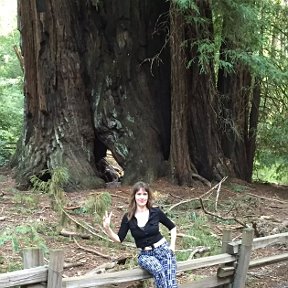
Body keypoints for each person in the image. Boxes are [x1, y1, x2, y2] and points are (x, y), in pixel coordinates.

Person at [103, 181, 178, 288]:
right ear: (134, 196)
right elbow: (119, 239)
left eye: (144, 194)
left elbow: (172, 227)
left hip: (163, 251)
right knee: (159, 271)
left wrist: (172, 246)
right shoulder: (128, 217)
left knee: (171, 285)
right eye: (139, 194)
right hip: (145, 255)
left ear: (148, 196)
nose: (142, 197)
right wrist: (107, 228)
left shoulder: (156, 212)